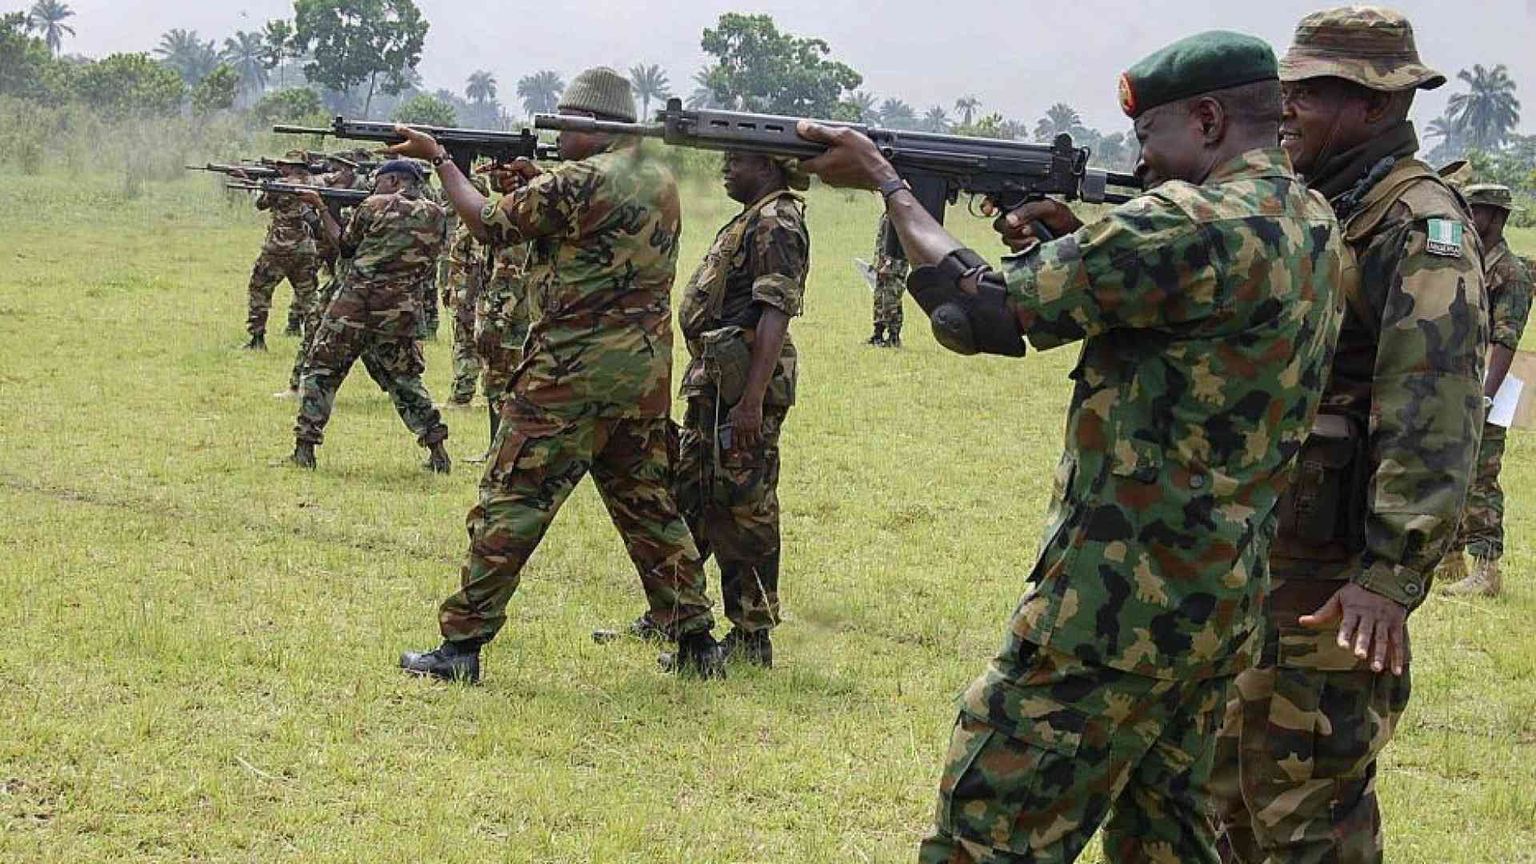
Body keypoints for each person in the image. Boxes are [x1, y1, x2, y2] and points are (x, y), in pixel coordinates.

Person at [798, 30, 1346, 862]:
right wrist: (1076, 236)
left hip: (1110, 612)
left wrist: (887, 182)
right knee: (1169, 842)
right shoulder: (1309, 219)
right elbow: (1182, 302)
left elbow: (976, 316)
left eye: (1147, 137)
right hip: (1216, 609)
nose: (1143, 160)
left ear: (1205, 119)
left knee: (984, 839)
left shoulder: (1183, 222)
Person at [1208, 8, 1487, 863]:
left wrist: (1390, 574)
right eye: (1287, 89)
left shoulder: (1419, 226)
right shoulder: (1319, 204)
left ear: (1378, 105)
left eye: (1315, 92)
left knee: (1306, 810)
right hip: (1260, 555)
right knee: (1228, 792)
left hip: (1333, 580)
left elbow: (1434, 406)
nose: (1288, 107)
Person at [390, 67, 725, 684]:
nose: (559, 130)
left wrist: (440, 160)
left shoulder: (580, 180)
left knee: (511, 500)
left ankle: (460, 647)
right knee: (648, 507)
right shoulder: (655, 177)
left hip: (568, 377)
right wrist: (538, 184)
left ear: (595, 126)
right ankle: (697, 641)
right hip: (640, 376)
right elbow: (590, 224)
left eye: (567, 120)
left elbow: (489, 224)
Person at [622, 151, 811, 668]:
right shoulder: (755, 215)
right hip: (717, 378)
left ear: (768, 167)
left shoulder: (777, 221)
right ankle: (673, 613)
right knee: (694, 494)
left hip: (741, 386)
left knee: (742, 506)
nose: (725, 169)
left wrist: (750, 401)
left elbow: (775, 311)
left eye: (737, 161)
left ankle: (752, 636)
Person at [289, 159, 452, 474]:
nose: (372, 188)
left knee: (321, 372)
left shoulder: (373, 206)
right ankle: (437, 451)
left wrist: (322, 208)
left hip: (355, 307)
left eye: (377, 181)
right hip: (400, 310)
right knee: (405, 381)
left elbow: (344, 246)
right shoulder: (436, 214)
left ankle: (304, 449)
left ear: (393, 180)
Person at [1437, 181, 1531, 597]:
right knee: (1452, 469)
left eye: (1474, 210)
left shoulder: (1509, 272)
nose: (1466, 217)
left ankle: (1487, 567)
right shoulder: (1470, 257)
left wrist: (1485, 397)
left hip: (1490, 388)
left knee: (1481, 476)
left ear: (1495, 216)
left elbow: (1505, 342)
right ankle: (1451, 558)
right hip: (1463, 382)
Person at [242, 158, 320, 351]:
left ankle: (257, 339)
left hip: (278, 247)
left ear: (292, 167)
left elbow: (261, 204)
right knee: (309, 296)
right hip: (306, 247)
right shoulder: (317, 183)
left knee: (260, 289)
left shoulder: (280, 185)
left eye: (283, 165)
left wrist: (252, 184)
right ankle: (314, 341)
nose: (279, 168)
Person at [441, 175, 493, 409]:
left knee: (466, 346)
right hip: (461, 292)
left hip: (469, 296)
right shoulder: (466, 222)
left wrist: (467, 303)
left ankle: (463, 394)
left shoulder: (475, 224)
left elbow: (476, 265)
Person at [869, 214, 909, 346]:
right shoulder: (887, 214)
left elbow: (899, 242)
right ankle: (878, 334)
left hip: (895, 264)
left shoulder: (900, 216)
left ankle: (894, 337)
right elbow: (881, 241)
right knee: (879, 298)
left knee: (892, 300)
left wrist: (888, 263)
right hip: (883, 263)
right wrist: (877, 263)